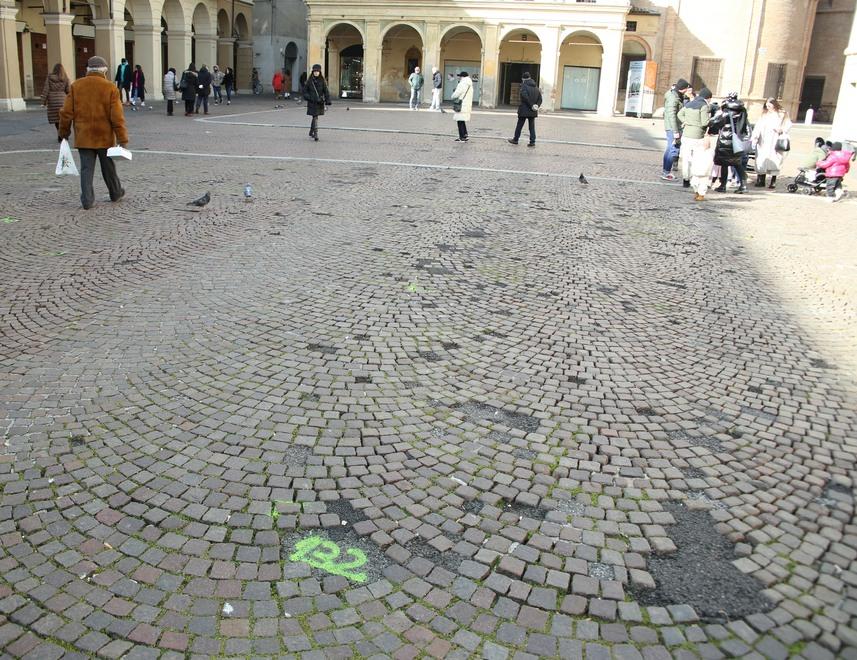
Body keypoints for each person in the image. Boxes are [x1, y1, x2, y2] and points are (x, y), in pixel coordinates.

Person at [58, 55, 128, 210]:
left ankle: (87, 200)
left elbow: (66, 113)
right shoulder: (110, 87)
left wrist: (63, 132)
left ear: (88, 70)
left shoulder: (76, 86)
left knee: (86, 169)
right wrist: (122, 139)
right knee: (108, 167)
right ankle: (115, 193)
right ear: (104, 71)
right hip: (104, 136)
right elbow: (117, 117)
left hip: (84, 136)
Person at [708, 92, 749, 194]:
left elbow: (714, 122)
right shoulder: (742, 112)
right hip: (737, 141)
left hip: (725, 141)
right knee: (737, 164)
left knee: (724, 164)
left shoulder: (726, 113)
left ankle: (723, 185)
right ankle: (743, 185)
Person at [676, 87, 713, 201]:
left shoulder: (690, 104)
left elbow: (679, 114)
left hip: (686, 134)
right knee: (697, 159)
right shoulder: (704, 106)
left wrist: (686, 122)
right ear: (708, 97)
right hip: (697, 136)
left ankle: (686, 178)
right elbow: (704, 122)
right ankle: (695, 179)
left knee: (686, 158)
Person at [752, 97, 792, 189]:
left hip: (775, 140)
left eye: (769, 105)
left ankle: (773, 181)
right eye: (767, 105)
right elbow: (758, 126)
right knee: (761, 159)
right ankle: (761, 179)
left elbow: (788, 124)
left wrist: (781, 130)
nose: (768, 107)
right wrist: (755, 136)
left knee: (775, 159)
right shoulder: (764, 115)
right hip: (763, 140)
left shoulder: (782, 114)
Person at [662, 78, 690, 181]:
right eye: (687, 88)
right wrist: (675, 131)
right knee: (672, 149)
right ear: (683, 89)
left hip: (672, 126)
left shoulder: (674, 95)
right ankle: (666, 172)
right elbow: (671, 115)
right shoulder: (674, 98)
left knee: (669, 148)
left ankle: (666, 171)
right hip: (673, 127)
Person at [507, 71, 541, 147]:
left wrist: (531, 105)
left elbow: (525, 97)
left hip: (524, 110)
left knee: (519, 125)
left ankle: (515, 139)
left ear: (524, 79)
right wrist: (536, 106)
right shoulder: (536, 87)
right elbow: (540, 99)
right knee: (531, 127)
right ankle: (532, 142)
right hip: (532, 111)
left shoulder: (524, 86)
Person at [41, 63, 70, 142]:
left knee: (56, 120)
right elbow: (69, 91)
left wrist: (43, 102)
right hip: (62, 100)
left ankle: (59, 135)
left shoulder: (49, 77)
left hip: (52, 101)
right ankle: (64, 135)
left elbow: (46, 90)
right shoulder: (65, 78)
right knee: (63, 119)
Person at [303, 64, 331, 141]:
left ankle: (311, 131)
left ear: (319, 72)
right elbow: (304, 92)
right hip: (312, 102)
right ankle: (316, 133)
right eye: (315, 71)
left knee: (315, 116)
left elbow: (326, 91)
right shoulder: (309, 81)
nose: (316, 73)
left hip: (319, 102)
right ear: (313, 72)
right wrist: (310, 98)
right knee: (315, 116)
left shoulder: (322, 81)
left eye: (317, 71)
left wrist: (328, 100)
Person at [451, 71, 473, 143]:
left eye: (460, 76)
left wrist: (452, 96)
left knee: (459, 121)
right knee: (462, 120)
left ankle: (462, 137)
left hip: (461, 104)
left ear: (463, 77)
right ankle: (465, 135)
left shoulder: (462, 83)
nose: (459, 77)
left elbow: (457, 93)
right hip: (467, 104)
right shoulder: (470, 84)